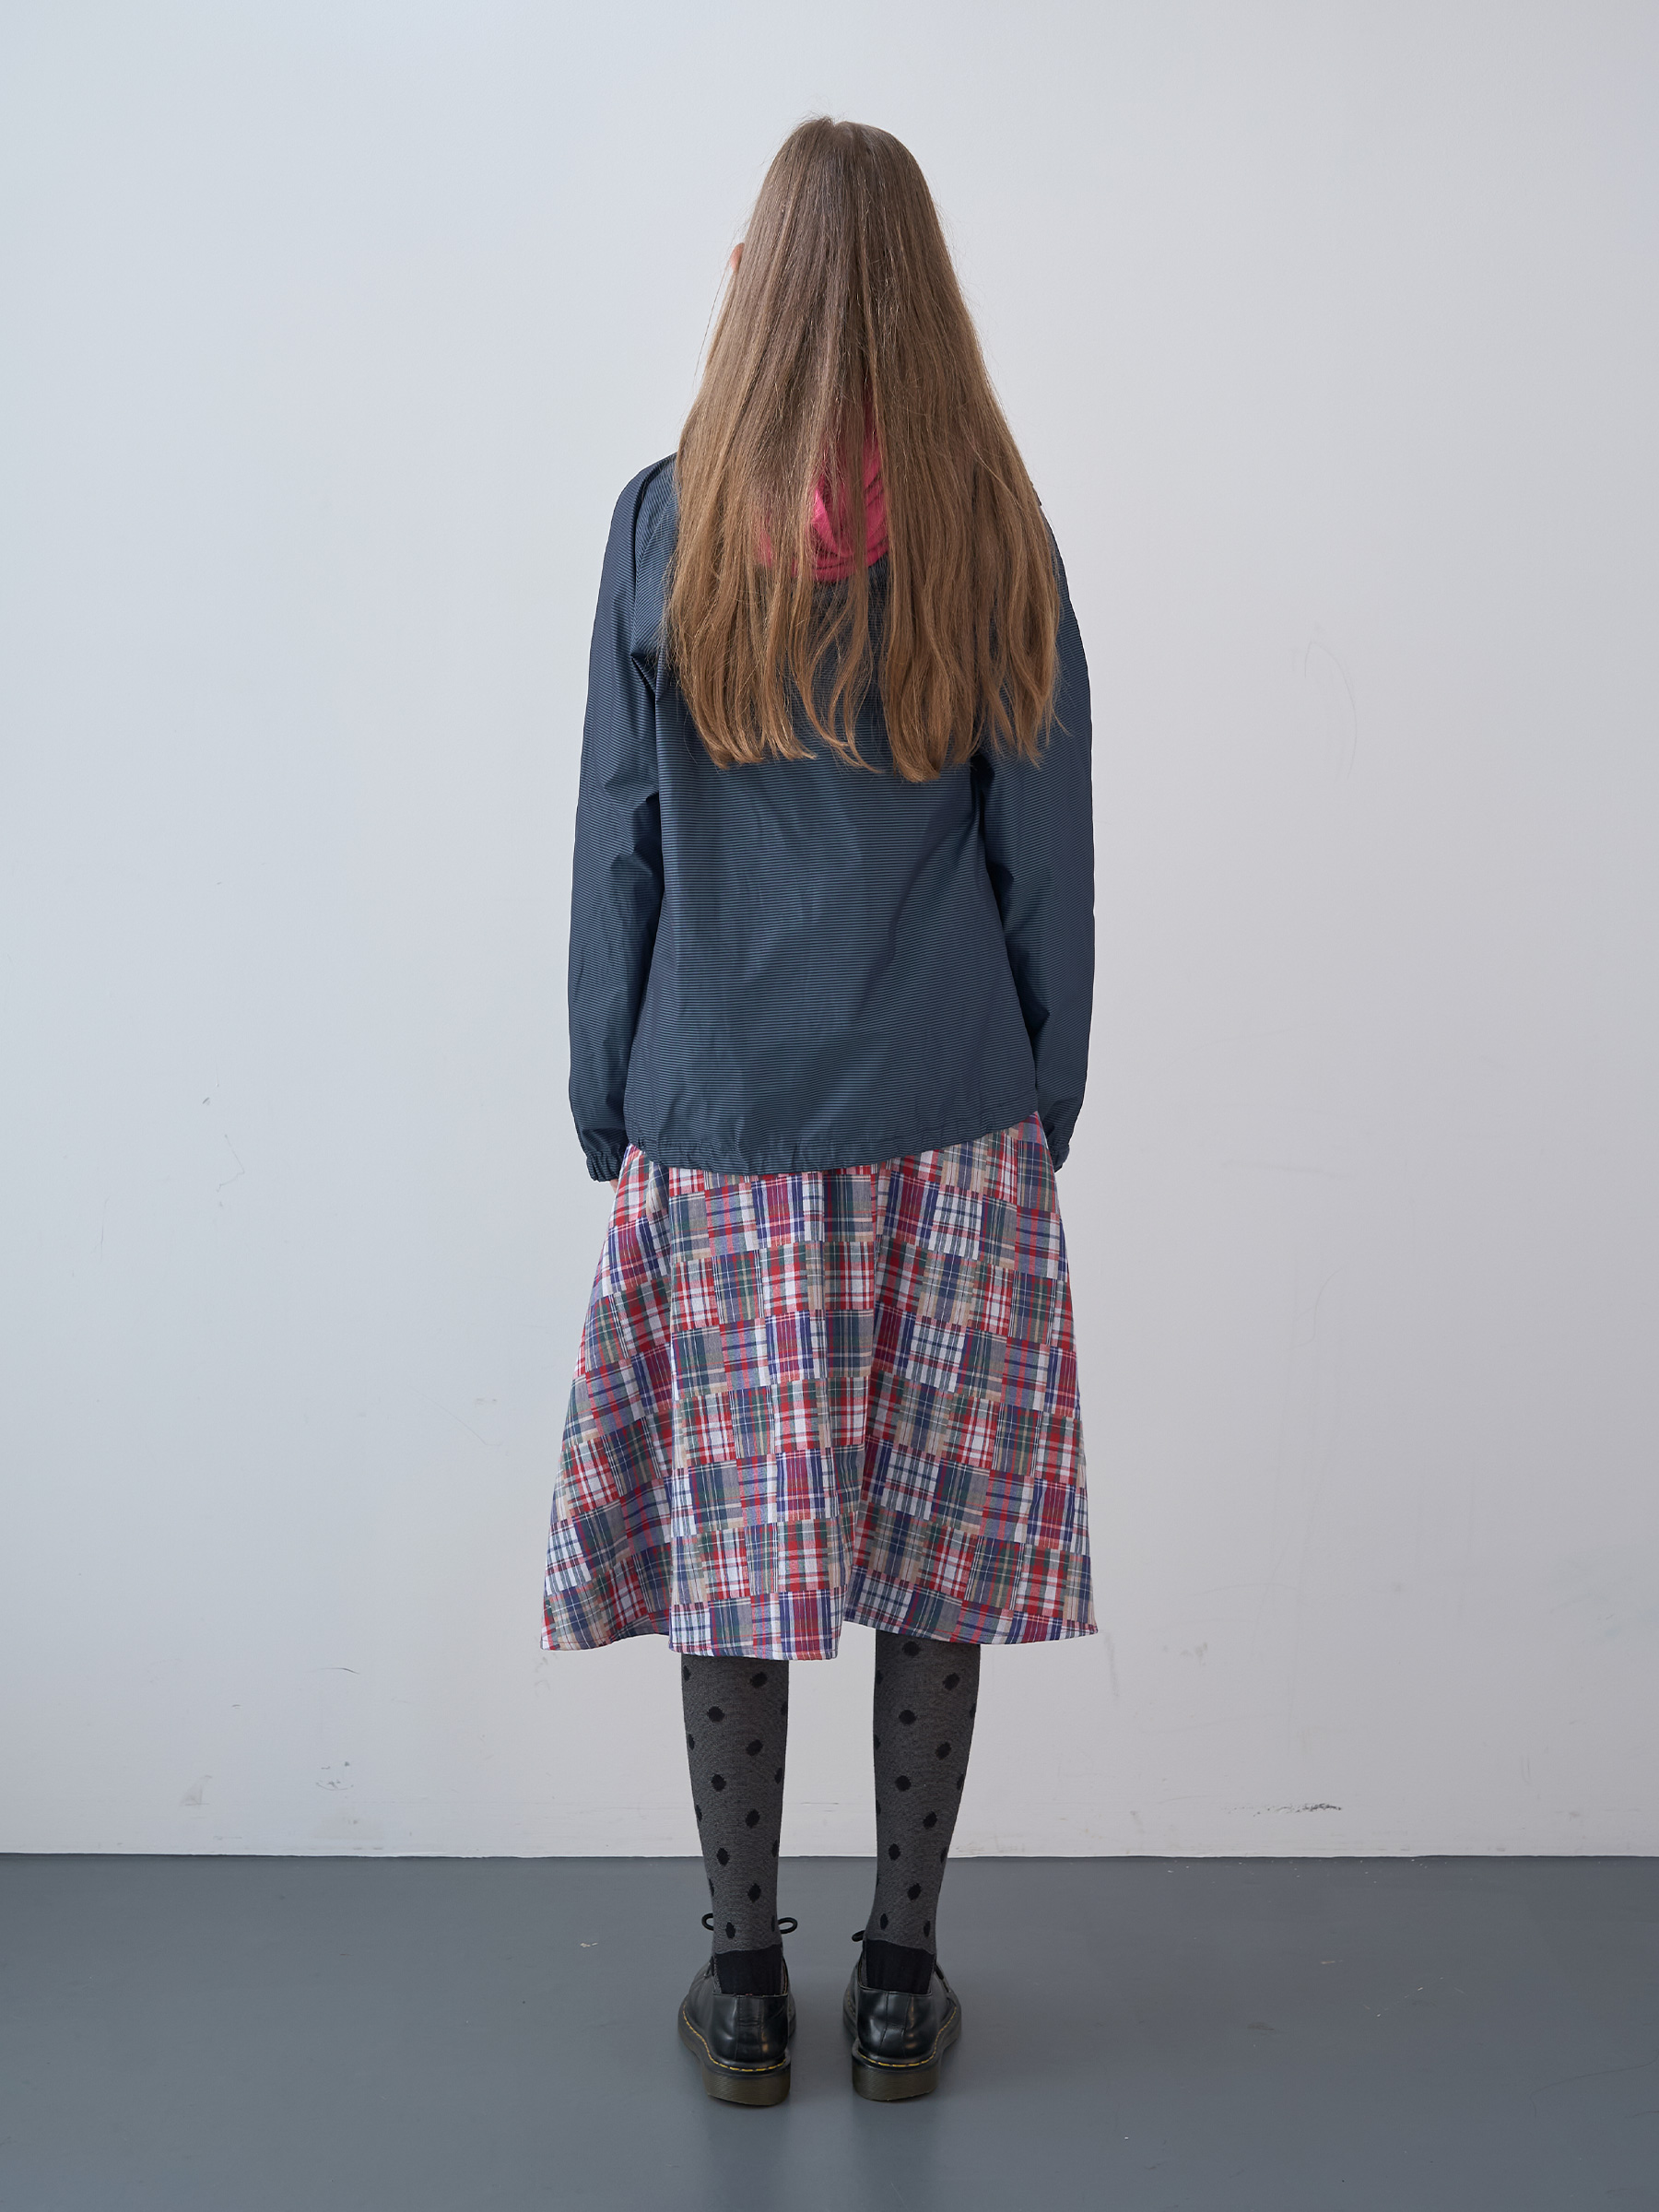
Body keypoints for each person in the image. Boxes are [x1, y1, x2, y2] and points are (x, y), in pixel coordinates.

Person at [543, 115, 1095, 2107]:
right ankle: (901, 1984)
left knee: (737, 1547)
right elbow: (1047, 864)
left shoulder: (664, 526)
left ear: (754, 285)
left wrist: (608, 1098)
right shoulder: (995, 527)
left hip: (724, 1117)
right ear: (928, 296)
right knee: (937, 1552)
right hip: (952, 1115)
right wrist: (1043, 1100)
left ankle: (747, 1986)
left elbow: (618, 845)